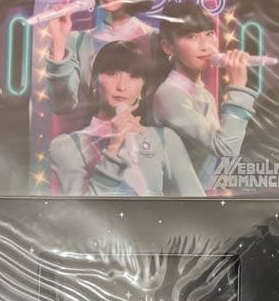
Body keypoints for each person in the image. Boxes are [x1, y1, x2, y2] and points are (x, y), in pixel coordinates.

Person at [49, 40, 203, 196]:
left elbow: (195, 202)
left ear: (143, 87)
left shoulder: (164, 139)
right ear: (95, 80)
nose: (122, 86)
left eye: (134, 76)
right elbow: (82, 208)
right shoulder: (67, 146)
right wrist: (114, 147)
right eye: (112, 74)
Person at [150, 2, 258, 189]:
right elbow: (225, 149)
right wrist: (238, 86)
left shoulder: (204, 93)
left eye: (209, 33)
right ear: (168, 47)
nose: (206, 46)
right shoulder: (168, 94)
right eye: (191, 36)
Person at [45, 0, 159, 118]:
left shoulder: (155, 40)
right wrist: (58, 44)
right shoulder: (77, 41)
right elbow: (62, 106)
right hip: (94, 132)